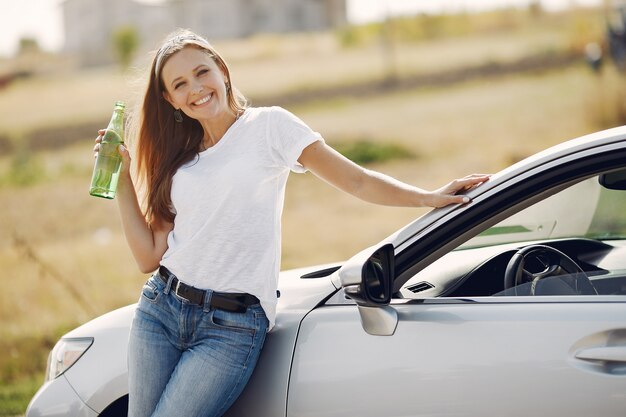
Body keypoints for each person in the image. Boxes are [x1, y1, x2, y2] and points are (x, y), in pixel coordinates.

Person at [94, 29, 489, 417]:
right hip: (160, 309)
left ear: (223, 71)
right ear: (171, 100)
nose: (196, 88)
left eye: (202, 72)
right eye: (180, 84)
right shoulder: (178, 160)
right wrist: (123, 177)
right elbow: (148, 256)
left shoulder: (270, 128)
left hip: (230, 328)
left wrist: (427, 196)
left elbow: (356, 180)